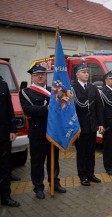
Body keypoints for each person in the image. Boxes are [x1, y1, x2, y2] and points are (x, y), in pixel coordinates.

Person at [19, 65, 66, 199]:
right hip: (37, 132)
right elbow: (28, 110)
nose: (40, 76)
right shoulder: (25, 92)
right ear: (32, 77)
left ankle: (54, 183)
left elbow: (65, 100)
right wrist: (47, 109)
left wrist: (67, 91)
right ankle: (38, 187)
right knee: (37, 161)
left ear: (46, 76)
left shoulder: (54, 90)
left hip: (53, 131)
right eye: (37, 74)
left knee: (54, 160)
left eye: (42, 74)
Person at [72, 63, 104, 186]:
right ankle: (83, 176)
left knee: (91, 152)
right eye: (83, 72)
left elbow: (99, 107)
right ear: (77, 74)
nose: (86, 74)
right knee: (81, 153)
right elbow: (70, 111)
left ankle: (91, 174)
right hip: (80, 127)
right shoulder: (72, 89)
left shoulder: (92, 88)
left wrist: (100, 123)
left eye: (87, 72)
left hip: (92, 126)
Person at [0, 79, 20, 207]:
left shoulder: (3, 84)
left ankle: (6, 196)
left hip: (3, 134)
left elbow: (9, 107)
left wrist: (13, 129)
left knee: (4, 167)